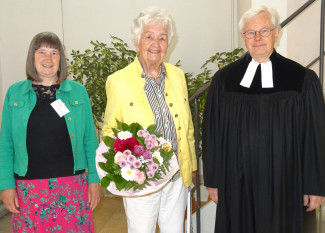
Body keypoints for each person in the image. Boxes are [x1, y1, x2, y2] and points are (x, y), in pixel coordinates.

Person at [202, 5, 325, 233]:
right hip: (237, 184)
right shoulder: (224, 81)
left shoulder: (302, 79)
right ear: (243, 37)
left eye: (264, 31)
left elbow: (315, 135)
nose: (257, 38)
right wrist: (213, 179)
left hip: (288, 183)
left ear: (276, 33)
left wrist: (315, 185)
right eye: (251, 32)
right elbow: (212, 133)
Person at [102, 6, 197, 233]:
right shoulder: (118, 81)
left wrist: (191, 164)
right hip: (141, 183)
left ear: (168, 44)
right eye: (149, 36)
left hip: (175, 177)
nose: (156, 43)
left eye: (162, 38)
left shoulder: (177, 76)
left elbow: (188, 128)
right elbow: (109, 133)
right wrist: (125, 168)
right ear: (137, 42)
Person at [0, 32, 101, 232]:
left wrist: (95, 180)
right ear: (32, 57)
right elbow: (6, 144)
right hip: (28, 189)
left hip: (72, 186)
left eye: (54, 53)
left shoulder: (78, 91)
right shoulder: (15, 92)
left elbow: (90, 139)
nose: (48, 59)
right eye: (42, 52)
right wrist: (6, 185)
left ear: (61, 60)